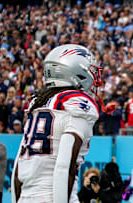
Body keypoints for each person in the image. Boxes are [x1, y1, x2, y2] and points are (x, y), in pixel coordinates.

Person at [11, 44, 107, 203]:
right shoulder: (76, 102)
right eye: (90, 69)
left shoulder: (38, 104)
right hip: (54, 195)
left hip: (25, 196)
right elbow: (64, 165)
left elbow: (18, 165)